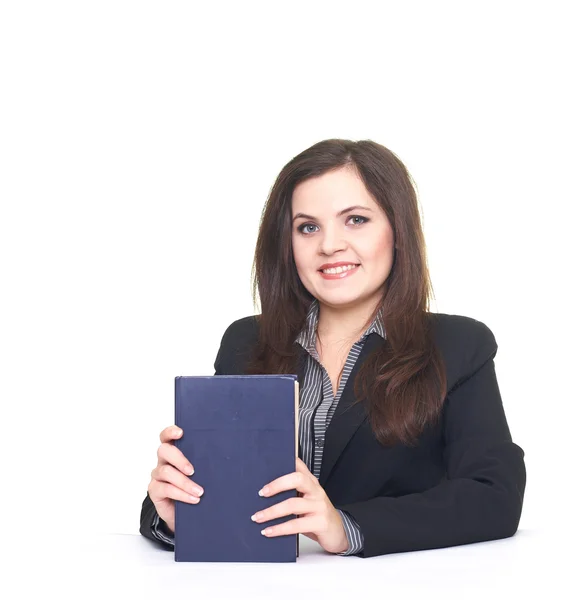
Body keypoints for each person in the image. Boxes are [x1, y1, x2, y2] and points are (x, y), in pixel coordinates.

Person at [139, 138, 526, 558]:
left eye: (356, 220)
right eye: (308, 227)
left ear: (398, 231)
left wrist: (346, 528)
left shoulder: (458, 345)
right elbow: (212, 485)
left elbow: (494, 497)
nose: (329, 245)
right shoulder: (246, 342)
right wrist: (178, 514)